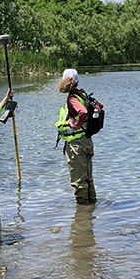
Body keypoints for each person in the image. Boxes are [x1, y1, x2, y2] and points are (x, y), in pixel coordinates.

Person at [56, 68, 97, 204]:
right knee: (88, 178)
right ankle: (92, 209)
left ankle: (83, 214)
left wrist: (75, 124)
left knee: (79, 181)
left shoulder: (73, 97)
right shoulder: (82, 93)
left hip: (76, 144)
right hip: (86, 141)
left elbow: (83, 111)